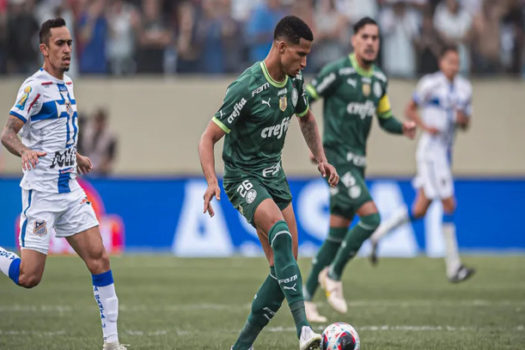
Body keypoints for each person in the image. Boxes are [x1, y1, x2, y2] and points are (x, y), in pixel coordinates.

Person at [198, 15, 338, 350]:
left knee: (283, 267)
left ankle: (240, 347)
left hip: (274, 176)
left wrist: (320, 157)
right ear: (281, 47)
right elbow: (208, 137)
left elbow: (306, 117)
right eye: (300, 55)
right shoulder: (247, 87)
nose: (305, 62)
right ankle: (304, 329)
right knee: (280, 232)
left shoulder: (294, 82)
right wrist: (210, 181)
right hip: (242, 177)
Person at [0, 18, 126, 350]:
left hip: (69, 189)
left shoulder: (68, 85)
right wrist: (24, 150)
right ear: (44, 49)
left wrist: (77, 156)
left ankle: (112, 342)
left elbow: (58, 137)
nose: (67, 49)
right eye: (60, 44)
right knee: (29, 277)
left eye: (69, 43)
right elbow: (8, 133)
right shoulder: (33, 87)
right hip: (41, 193)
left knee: (99, 258)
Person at [302, 17, 416, 322]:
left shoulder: (379, 79)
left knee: (336, 234)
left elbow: (385, 118)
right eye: (364, 36)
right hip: (338, 160)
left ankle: (305, 299)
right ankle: (335, 274)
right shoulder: (337, 72)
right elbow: (305, 100)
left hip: (359, 164)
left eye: (375, 38)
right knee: (372, 218)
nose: (370, 42)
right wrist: (317, 150)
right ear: (353, 40)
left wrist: (401, 127)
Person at [369, 44, 475, 284]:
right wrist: (426, 127)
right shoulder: (430, 84)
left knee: (419, 209)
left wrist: (462, 119)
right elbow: (409, 109)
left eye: (457, 63)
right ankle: (454, 267)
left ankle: (378, 235)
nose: (453, 67)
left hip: (446, 150)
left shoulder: (464, 89)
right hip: (431, 150)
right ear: (441, 63)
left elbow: (466, 123)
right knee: (449, 203)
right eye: (450, 62)